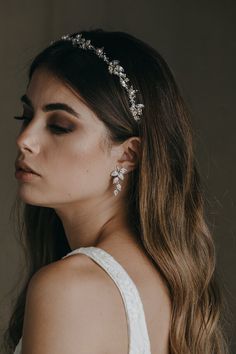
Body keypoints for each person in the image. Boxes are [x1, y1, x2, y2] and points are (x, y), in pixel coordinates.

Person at [3, 28, 229, 354]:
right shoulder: (168, 282)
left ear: (128, 155)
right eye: (26, 116)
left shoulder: (69, 289)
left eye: (59, 126)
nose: (24, 140)